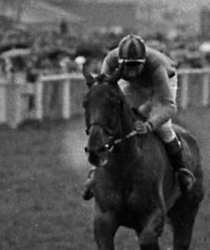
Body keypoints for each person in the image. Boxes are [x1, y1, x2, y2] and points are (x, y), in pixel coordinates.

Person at [81, 34, 196, 200]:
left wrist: (149, 124)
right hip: (134, 87)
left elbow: (169, 106)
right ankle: (95, 173)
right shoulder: (111, 60)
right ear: (120, 62)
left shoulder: (157, 67)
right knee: (116, 121)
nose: (132, 72)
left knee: (163, 127)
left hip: (164, 81)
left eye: (136, 66)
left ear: (144, 61)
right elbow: (103, 88)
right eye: (128, 66)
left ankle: (181, 171)